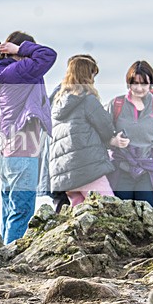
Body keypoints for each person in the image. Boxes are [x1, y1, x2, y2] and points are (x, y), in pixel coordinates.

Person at [0, 32, 56, 243]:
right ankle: (11, 258)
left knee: (9, 210)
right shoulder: (19, 72)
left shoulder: (0, 71)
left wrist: (5, 53)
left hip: (7, 155)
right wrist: (19, 49)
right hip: (23, 153)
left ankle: (4, 255)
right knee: (21, 212)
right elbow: (48, 55)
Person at [49, 55, 129, 206]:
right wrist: (113, 140)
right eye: (93, 75)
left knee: (80, 216)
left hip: (64, 175)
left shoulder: (59, 102)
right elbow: (106, 128)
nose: (94, 80)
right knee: (109, 208)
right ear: (87, 75)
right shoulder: (87, 99)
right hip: (87, 170)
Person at [106, 61, 153, 220]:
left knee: (150, 220)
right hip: (120, 170)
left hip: (148, 172)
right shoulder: (115, 104)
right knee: (117, 219)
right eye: (134, 83)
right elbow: (100, 135)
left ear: (151, 83)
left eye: (144, 83)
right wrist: (113, 141)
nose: (139, 88)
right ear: (128, 83)